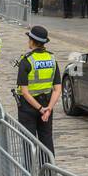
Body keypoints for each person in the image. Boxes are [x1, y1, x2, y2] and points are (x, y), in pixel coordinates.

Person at [15, 25, 61, 154]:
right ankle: (49, 173)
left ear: (32, 41)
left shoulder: (26, 60)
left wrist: (40, 109)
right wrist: (48, 109)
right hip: (47, 104)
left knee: (28, 142)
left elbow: (24, 91)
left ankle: (29, 173)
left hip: (28, 107)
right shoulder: (52, 59)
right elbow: (57, 89)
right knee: (46, 141)